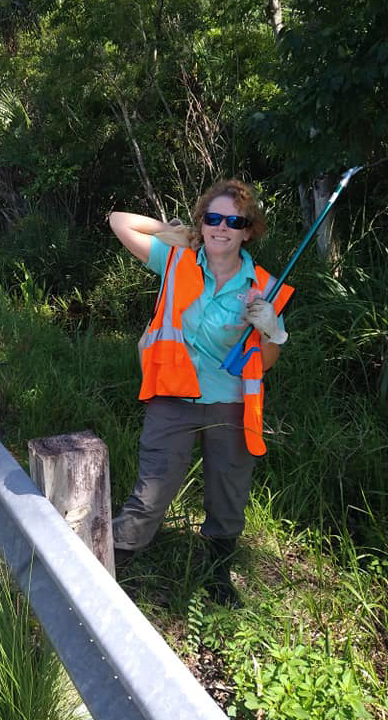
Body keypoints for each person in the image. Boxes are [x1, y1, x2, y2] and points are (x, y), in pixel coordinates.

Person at [109, 179, 293, 607]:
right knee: (151, 493)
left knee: (228, 494)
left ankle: (218, 575)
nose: (222, 227)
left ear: (249, 230)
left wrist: (274, 330)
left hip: (230, 404)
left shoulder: (263, 286)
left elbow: (265, 362)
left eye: (234, 221)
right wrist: (172, 231)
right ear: (202, 224)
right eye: (213, 219)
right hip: (172, 398)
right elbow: (119, 221)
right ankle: (114, 564)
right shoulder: (176, 260)